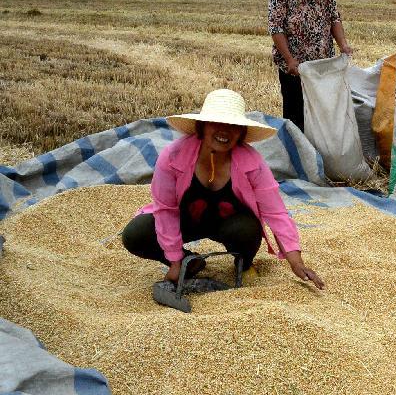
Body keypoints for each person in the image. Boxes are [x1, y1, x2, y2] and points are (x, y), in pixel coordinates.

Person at [122, 89, 324, 289]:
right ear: (202, 126)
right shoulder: (173, 156)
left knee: (247, 229)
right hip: (185, 220)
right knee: (136, 233)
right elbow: (166, 210)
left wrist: (296, 262)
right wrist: (175, 261)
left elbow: (275, 212)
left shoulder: (252, 162)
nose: (224, 131)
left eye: (233, 126)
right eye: (215, 123)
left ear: (241, 133)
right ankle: (188, 263)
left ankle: (243, 264)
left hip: (229, 223)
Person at [268, 0, 352, 132]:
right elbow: (276, 27)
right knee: (296, 118)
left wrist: (343, 45)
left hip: (322, 67)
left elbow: (334, 19)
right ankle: (297, 149)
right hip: (295, 69)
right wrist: (289, 59)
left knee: (323, 116)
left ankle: (319, 149)